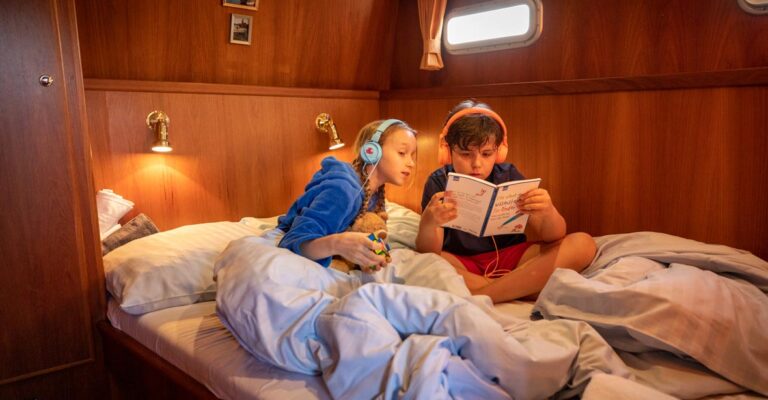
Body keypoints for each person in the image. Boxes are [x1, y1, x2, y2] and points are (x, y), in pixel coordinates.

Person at [416, 100, 596, 303]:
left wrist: (547, 211)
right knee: (425, 261)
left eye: (486, 154)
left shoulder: (510, 175)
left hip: (511, 258)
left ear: (499, 152)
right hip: (462, 263)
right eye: (465, 154)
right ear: (448, 151)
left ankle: (484, 293)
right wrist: (431, 221)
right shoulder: (438, 181)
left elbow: (554, 236)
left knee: (583, 244)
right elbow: (427, 250)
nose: (476, 164)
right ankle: (518, 289)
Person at [277, 119, 417, 273]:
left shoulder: (375, 193)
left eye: (412, 155)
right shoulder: (343, 192)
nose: (411, 163)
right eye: (402, 153)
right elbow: (293, 241)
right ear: (372, 151)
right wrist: (338, 244)